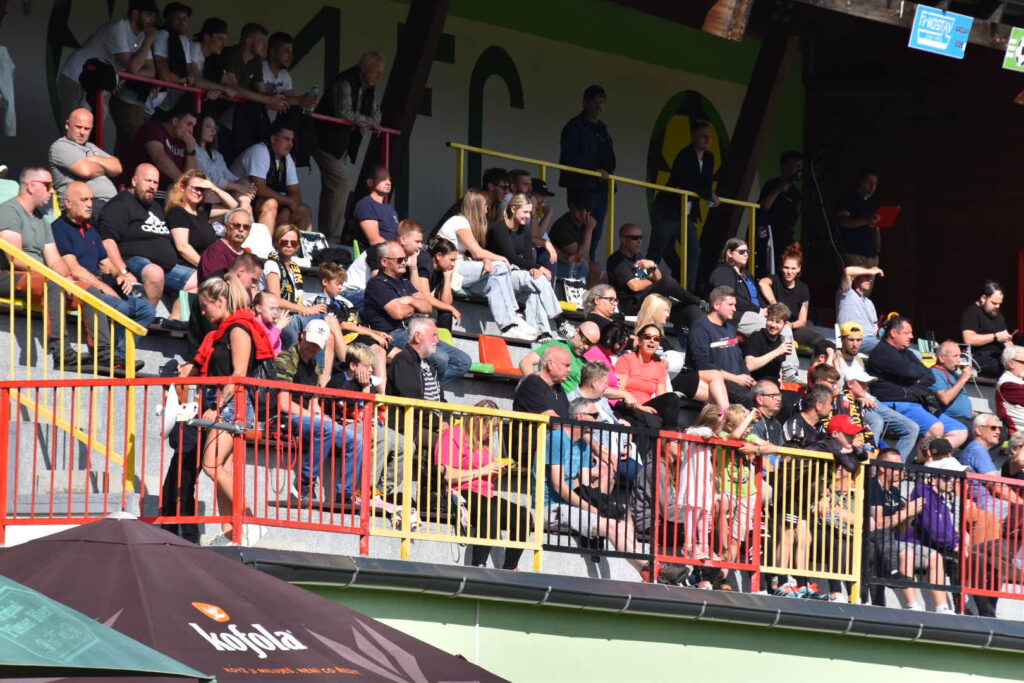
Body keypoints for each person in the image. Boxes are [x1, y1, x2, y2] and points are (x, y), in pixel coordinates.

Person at [178, 276, 275, 542]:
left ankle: (250, 520)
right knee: (222, 470)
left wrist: (217, 408)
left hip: (233, 404)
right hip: (227, 403)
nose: (202, 312)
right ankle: (231, 532)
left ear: (221, 302)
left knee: (211, 466)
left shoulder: (238, 328)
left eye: (205, 305)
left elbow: (238, 374)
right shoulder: (222, 331)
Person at [544, 398, 652, 579]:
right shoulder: (557, 438)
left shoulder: (583, 445)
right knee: (612, 525)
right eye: (594, 416)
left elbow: (585, 488)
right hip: (551, 507)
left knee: (622, 525)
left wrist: (594, 506)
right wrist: (592, 509)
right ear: (579, 416)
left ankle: (649, 570)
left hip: (572, 508)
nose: (598, 420)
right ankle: (650, 569)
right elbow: (559, 486)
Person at [51, 181, 155, 368]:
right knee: (120, 307)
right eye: (84, 200)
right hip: (82, 289)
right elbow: (73, 268)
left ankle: (119, 357)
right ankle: (108, 356)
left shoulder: (90, 229)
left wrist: (119, 275)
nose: (90, 204)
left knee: (146, 309)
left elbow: (105, 262)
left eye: (91, 200)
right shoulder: (59, 228)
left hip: (100, 287)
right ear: (67, 203)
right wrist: (107, 288)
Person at [0, 167, 89, 365]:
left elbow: (55, 259)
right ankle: (62, 352)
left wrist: (67, 278)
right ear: (31, 186)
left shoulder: (42, 219)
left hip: (39, 277)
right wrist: (57, 278)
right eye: (48, 186)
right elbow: (16, 259)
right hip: (9, 274)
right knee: (54, 283)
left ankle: (104, 355)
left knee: (90, 292)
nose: (52, 191)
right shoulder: (8, 210)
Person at [435, 400, 531, 570]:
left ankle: (510, 567)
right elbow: (447, 475)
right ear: (478, 419)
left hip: (485, 494)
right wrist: (481, 471)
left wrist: (497, 470)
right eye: (489, 427)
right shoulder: (452, 435)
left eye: (494, 429)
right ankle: (478, 564)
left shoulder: (482, 443)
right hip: (459, 492)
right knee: (490, 508)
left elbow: (485, 474)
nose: (491, 433)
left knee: (523, 516)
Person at [435, 189, 539, 340]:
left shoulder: (466, 223)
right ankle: (514, 316)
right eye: (485, 206)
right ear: (477, 206)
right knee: (500, 267)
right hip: (453, 268)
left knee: (494, 281)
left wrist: (487, 259)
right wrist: (501, 259)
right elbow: (477, 252)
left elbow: (474, 254)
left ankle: (509, 326)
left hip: (462, 267)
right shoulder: (459, 221)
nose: (486, 210)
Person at [364, 242, 470, 386]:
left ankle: (427, 388)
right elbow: (398, 313)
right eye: (399, 260)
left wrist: (409, 300)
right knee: (441, 358)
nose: (404, 262)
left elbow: (427, 307)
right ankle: (423, 389)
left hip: (414, 332)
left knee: (463, 362)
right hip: (392, 334)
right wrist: (416, 303)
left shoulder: (405, 283)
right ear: (384, 262)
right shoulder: (377, 284)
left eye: (404, 259)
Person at [98, 163, 197, 313]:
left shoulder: (154, 205)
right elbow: (107, 241)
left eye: (155, 182)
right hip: (133, 262)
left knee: (202, 279)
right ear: (134, 181)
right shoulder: (119, 204)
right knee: (154, 273)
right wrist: (123, 271)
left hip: (166, 268)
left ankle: (175, 319)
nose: (152, 186)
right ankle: (144, 319)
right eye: (148, 181)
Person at [865, 448, 953, 612]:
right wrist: (906, 512)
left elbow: (901, 530)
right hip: (876, 541)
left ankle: (942, 607)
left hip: (894, 540)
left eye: (901, 465)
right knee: (907, 553)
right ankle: (912, 605)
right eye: (896, 465)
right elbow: (879, 524)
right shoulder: (874, 486)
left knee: (935, 556)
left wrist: (911, 516)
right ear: (882, 467)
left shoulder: (894, 491)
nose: (900, 469)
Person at [275, 319, 349, 501]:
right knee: (326, 428)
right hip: (286, 417)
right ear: (302, 336)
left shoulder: (315, 366)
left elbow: (314, 403)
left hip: (307, 418)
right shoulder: (286, 359)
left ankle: (345, 493)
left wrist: (324, 418)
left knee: (356, 440)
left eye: (318, 345)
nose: (313, 348)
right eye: (311, 342)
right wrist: (319, 419)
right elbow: (284, 404)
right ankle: (305, 481)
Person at [314, 51, 384, 242]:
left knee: (332, 189)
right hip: (324, 139)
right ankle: (333, 238)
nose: (378, 77)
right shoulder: (345, 81)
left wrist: (367, 122)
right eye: (376, 72)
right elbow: (343, 111)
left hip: (341, 144)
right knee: (341, 184)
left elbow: (377, 115)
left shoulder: (369, 88)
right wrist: (366, 122)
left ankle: (325, 236)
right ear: (364, 68)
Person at [866, 316, 968, 447]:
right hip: (896, 402)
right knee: (935, 428)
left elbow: (930, 376)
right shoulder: (883, 352)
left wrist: (915, 378)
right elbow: (911, 372)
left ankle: (928, 458)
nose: (911, 336)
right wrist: (914, 376)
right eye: (907, 333)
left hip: (917, 402)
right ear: (893, 333)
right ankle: (908, 459)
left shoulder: (906, 353)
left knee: (959, 430)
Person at [57, 0, 159, 120]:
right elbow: (132, 67)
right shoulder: (118, 27)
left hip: (97, 83)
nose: (152, 20)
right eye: (149, 15)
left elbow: (152, 71)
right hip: (77, 77)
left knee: (95, 123)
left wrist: (126, 74)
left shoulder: (142, 35)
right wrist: (149, 40)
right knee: (77, 126)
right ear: (136, 13)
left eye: (153, 16)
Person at [832, 321, 919, 461]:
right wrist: (859, 397)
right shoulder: (835, 360)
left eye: (858, 340)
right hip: (852, 403)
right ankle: (868, 462)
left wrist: (864, 395)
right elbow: (835, 390)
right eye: (851, 340)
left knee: (912, 428)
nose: (855, 344)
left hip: (871, 400)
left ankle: (894, 468)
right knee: (876, 421)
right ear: (842, 340)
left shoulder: (859, 360)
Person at [485, 193, 568, 340]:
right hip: (499, 276)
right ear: (513, 209)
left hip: (516, 273)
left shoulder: (524, 229)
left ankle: (543, 334)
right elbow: (511, 257)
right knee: (539, 279)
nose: (528, 216)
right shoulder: (499, 228)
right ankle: (559, 321)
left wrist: (534, 269)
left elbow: (528, 257)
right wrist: (538, 267)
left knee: (535, 286)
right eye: (525, 212)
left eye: (530, 212)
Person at [649, 120, 718, 289]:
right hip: (667, 211)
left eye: (709, 136)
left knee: (693, 252)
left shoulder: (709, 158)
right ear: (693, 137)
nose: (707, 139)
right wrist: (709, 194)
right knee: (656, 252)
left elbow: (706, 184)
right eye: (703, 136)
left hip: (685, 214)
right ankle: (636, 281)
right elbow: (689, 182)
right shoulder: (685, 155)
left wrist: (708, 193)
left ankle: (688, 293)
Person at [558, 85, 614, 279]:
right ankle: (580, 275)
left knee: (595, 234)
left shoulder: (602, 129)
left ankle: (588, 272)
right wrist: (592, 172)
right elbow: (569, 160)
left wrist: (603, 172)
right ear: (585, 102)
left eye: (602, 102)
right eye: (596, 102)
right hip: (581, 188)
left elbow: (611, 160)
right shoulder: (574, 127)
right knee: (582, 232)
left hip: (601, 189)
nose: (600, 107)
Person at [606, 222, 703, 328]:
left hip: (648, 300)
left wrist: (653, 266)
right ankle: (698, 302)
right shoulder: (617, 260)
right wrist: (653, 282)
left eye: (641, 238)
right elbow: (635, 286)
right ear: (623, 240)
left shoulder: (638, 257)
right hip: (631, 305)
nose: (639, 241)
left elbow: (657, 278)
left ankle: (698, 320)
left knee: (692, 311)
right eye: (634, 238)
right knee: (667, 282)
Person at [757, 242, 834, 361]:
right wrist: (775, 305)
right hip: (774, 324)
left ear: (799, 269)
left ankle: (825, 359)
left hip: (793, 326)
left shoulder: (803, 289)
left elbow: (802, 321)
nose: (789, 272)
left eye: (793, 268)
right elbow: (762, 283)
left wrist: (790, 325)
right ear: (781, 268)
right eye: (786, 267)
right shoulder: (775, 280)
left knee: (816, 338)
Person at [231, 121, 311, 229]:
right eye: (286, 139)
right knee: (270, 203)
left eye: (292, 140)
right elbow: (260, 190)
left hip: (269, 203)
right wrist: (289, 202)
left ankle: (295, 240)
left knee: (304, 210)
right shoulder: (259, 151)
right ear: (273, 139)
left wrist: (287, 210)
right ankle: (265, 240)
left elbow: (296, 193)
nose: (291, 144)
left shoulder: (287, 158)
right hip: (242, 201)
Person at [260, 224, 326, 347]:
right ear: (276, 243)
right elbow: (276, 301)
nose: (289, 245)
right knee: (320, 325)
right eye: (284, 242)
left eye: (293, 243)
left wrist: (309, 309)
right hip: (277, 317)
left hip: (292, 314)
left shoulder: (294, 268)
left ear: (298, 246)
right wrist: (305, 309)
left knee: (326, 325)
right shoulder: (272, 265)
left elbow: (297, 301)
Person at [49, 108, 122, 214]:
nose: (82, 132)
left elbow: (118, 167)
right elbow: (85, 171)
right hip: (85, 206)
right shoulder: (60, 146)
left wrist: (95, 159)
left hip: (106, 204)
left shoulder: (90, 146)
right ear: (67, 125)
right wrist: (106, 168)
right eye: (78, 127)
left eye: (87, 129)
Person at [688, 285, 755, 402]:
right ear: (716, 305)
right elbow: (702, 365)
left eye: (734, 305)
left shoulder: (730, 328)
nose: (734, 309)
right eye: (730, 305)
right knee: (747, 398)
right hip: (717, 383)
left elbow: (739, 359)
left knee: (766, 394)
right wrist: (735, 379)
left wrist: (747, 378)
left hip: (737, 381)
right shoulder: (700, 327)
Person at [165, 169, 239, 272]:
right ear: (182, 187)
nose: (199, 192)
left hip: (210, 264)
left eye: (202, 189)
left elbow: (233, 206)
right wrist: (207, 267)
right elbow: (183, 247)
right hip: (190, 267)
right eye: (196, 188)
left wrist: (214, 188)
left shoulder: (202, 210)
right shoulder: (177, 212)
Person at [613, 323, 686, 429]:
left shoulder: (660, 366)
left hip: (647, 407)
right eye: (648, 337)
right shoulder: (626, 359)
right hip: (628, 406)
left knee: (672, 398)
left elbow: (662, 397)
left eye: (656, 339)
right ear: (639, 341)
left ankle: (670, 435)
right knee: (652, 422)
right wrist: (639, 407)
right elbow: (620, 392)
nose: (652, 341)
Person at [959, 413, 1023, 521]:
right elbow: (997, 487)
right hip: (986, 504)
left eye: (999, 429)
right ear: (979, 431)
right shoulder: (977, 449)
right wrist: (1022, 505)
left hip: (989, 503)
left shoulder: (977, 450)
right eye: (993, 428)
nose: (998, 432)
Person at [194, 114, 261, 211]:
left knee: (244, 194)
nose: (213, 131)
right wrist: (237, 187)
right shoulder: (193, 150)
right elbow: (208, 178)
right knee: (242, 203)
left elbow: (229, 176)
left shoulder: (217, 155)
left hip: (222, 194)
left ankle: (243, 213)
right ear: (198, 127)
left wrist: (246, 184)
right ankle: (242, 214)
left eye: (214, 128)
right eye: (208, 127)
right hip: (205, 195)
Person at [120, 107, 199, 189]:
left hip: (167, 192)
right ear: (175, 121)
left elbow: (190, 176)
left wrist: (191, 151)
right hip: (140, 188)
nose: (191, 131)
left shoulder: (183, 142)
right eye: (188, 124)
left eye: (193, 126)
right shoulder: (153, 128)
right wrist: (183, 184)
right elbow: (159, 158)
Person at [755, 151, 803, 276]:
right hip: (768, 235)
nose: (798, 170)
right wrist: (778, 190)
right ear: (785, 166)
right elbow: (763, 206)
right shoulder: (772, 185)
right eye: (795, 166)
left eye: (800, 166)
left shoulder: (796, 192)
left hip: (785, 237)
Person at [518, 322, 601, 393]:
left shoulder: (585, 363)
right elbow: (526, 362)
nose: (586, 347)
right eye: (585, 341)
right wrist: (536, 389)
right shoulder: (556, 345)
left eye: (591, 345)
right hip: (555, 400)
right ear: (576, 332)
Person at [961, 281, 1015, 378]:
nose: (997, 306)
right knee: (1002, 366)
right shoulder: (972, 312)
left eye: (999, 304)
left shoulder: (998, 315)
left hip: (999, 356)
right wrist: (995, 337)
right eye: (994, 303)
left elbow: (1006, 341)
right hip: (979, 357)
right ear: (983, 298)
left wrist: (1016, 354)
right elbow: (969, 339)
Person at [837, 168, 881, 268]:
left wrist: (877, 250)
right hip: (853, 253)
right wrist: (867, 220)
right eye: (869, 182)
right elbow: (843, 222)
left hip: (871, 255)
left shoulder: (872, 203)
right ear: (860, 182)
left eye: (875, 183)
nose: (872, 186)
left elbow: (877, 227)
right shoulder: (848, 200)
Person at [547, 190, 596, 281]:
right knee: (583, 265)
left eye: (588, 209)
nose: (584, 213)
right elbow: (579, 256)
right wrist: (589, 230)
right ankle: (579, 290)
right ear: (572, 206)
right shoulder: (563, 226)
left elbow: (587, 258)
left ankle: (587, 291)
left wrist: (588, 229)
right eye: (580, 208)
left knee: (595, 267)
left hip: (570, 264)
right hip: (554, 265)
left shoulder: (583, 223)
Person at [836, 264, 885, 354]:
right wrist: (871, 271)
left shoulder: (870, 303)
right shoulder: (846, 294)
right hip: (855, 339)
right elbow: (847, 271)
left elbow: (875, 328)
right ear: (854, 277)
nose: (870, 280)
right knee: (888, 348)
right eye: (866, 276)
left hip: (873, 340)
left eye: (870, 277)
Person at [262, 32, 318, 110]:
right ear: (273, 52)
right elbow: (263, 104)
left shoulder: (284, 74)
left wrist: (306, 101)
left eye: (291, 52)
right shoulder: (260, 69)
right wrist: (298, 100)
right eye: (286, 51)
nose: (291, 56)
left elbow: (291, 100)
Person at [513, 344, 572, 418]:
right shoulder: (531, 384)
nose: (569, 370)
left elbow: (568, 418)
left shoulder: (558, 388)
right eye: (566, 365)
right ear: (550, 364)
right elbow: (553, 420)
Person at [353, 164, 399, 256]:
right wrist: (398, 252)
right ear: (370, 182)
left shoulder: (390, 208)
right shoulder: (366, 205)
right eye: (383, 179)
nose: (389, 183)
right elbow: (374, 240)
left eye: (389, 179)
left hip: (395, 256)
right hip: (378, 257)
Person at [743, 303, 793, 383]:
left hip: (774, 385)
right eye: (771, 320)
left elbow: (778, 368)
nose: (773, 325)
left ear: (784, 324)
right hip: (756, 384)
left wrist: (780, 382)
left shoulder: (781, 340)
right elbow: (749, 366)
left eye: (778, 322)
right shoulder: (756, 337)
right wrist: (777, 352)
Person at [930, 341, 975, 429]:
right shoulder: (935, 372)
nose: (959, 359)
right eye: (955, 356)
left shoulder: (953, 374)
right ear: (942, 358)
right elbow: (945, 399)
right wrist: (963, 378)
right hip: (953, 420)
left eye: (960, 356)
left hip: (967, 419)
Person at [198, 206, 251, 280]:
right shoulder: (214, 253)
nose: (241, 229)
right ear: (226, 227)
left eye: (246, 227)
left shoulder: (247, 257)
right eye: (236, 225)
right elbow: (214, 285)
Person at [997, 345, 1024, 434]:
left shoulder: (1019, 379)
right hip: (1019, 435)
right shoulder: (1007, 384)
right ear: (1012, 363)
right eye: (1023, 362)